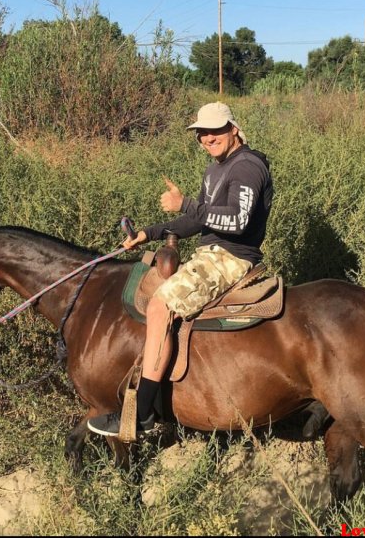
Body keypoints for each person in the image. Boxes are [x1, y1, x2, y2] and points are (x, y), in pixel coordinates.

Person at [87, 101, 274, 439]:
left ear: (233, 128)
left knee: (160, 306)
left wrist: (185, 202)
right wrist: (151, 232)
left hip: (230, 257)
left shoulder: (248, 167)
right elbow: (196, 220)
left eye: (215, 129)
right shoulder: (215, 168)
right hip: (209, 252)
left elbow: (236, 221)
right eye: (202, 132)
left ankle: (141, 416)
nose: (207, 137)